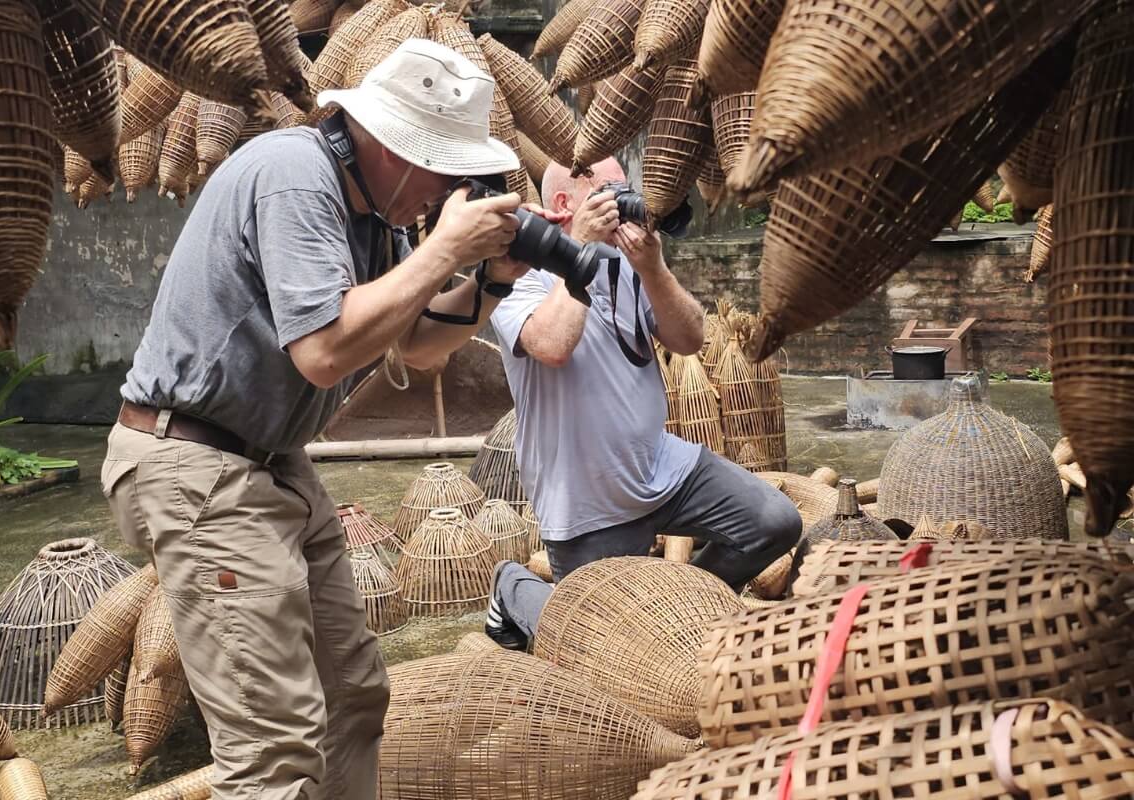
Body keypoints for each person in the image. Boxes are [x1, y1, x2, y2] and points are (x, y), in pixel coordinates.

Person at [99, 40, 552, 800]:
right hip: (197, 464)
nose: (448, 188)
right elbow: (323, 352)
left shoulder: (377, 217)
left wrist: (492, 281)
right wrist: (442, 250)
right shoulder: (293, 173)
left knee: (352, 697)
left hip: (272, 463)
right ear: (393, 144)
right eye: (444, 167)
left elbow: (418, 345)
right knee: (273, 746)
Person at [484, 159, 802, 650]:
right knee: (603, 647)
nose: (627, 204)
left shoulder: (629, 265)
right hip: (585, 499)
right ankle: (514, 587)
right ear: (568, 205)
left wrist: (653, 268)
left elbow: (691, 337)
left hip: (662, 469)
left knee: (774, 522)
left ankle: (681, 609)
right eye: (613, 192)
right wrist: (581, 252)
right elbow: (551, 346)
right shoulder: (521, 270)